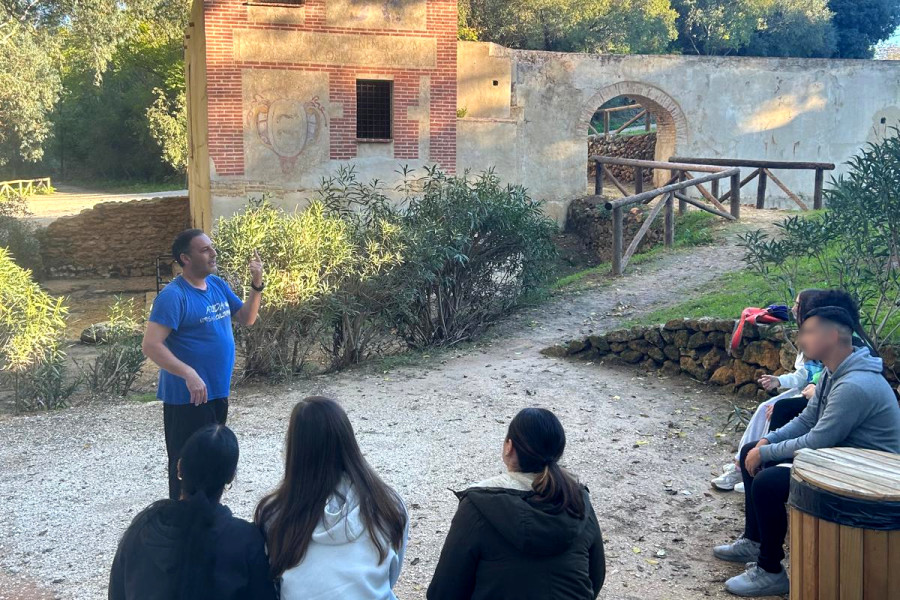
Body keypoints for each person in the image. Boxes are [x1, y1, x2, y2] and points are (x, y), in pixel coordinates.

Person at [713, 296, 900, 597]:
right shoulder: (833, 371)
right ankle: (755, 540)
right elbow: (807, 419)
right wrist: (766, 441)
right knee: (752, 448)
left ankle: (770, 570)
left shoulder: (855, 385)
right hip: (842, 458)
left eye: (809, 331)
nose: (801, 339)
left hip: (871, 478)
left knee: (768, 481)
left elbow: (817, 439)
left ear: (834, 334)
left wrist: (767, 453)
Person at [427, 407, 606, 600]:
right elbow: (595, 578)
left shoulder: (479, 504)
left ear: (509, 446)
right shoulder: (576, 500)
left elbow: (444, 592)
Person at [142, 228, 264, 499]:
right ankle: (181, 524)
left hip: (217, 392)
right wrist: (188, 373)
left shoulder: (218, 285)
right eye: (205, 249)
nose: (213, 253)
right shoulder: (174, 296)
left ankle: (209, 519)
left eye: (212, 247)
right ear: (186, 258)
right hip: (187, 399)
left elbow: (247, 318)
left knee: (213, 462)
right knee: (185, 466)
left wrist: (257, 284)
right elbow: (151, 345)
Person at [255, 396, 408, 599]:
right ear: (348, 440)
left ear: (295, 448)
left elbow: (273, 583)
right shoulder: (388, 504)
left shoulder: (273, 513)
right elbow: (390, 574)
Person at [108, 424, 276, 600]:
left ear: (179, 467)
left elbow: (117, 592)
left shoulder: (144, 527)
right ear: (230, 477)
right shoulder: (245, 540)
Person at [711, 290, 824, 492]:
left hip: (812, 398)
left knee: (774, 410)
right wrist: (778, 381)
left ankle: (755, 467)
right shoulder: (807, 341)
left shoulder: (825, 345)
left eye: (797, 305)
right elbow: (802, 375)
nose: (792, 309)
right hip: (804, 392)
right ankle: (742, 464)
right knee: (765, 407)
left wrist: (793, 398)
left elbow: (821, 383)